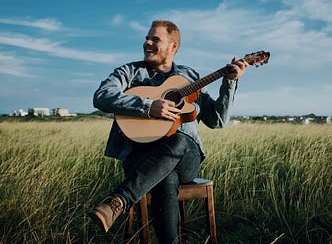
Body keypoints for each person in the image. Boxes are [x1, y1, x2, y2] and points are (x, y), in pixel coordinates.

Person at [88, 20, 248, 243]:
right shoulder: (129, 71)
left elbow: (217, 120)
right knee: (166, 178)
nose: (147, 42)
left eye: (155, 39)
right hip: (140, 155)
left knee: (179, 140)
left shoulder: (189, 77)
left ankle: (119, 200)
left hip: (186, 158)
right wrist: (147, 106)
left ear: (173, 46)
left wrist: (229, 83)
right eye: (147, 38)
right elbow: (102, 96)